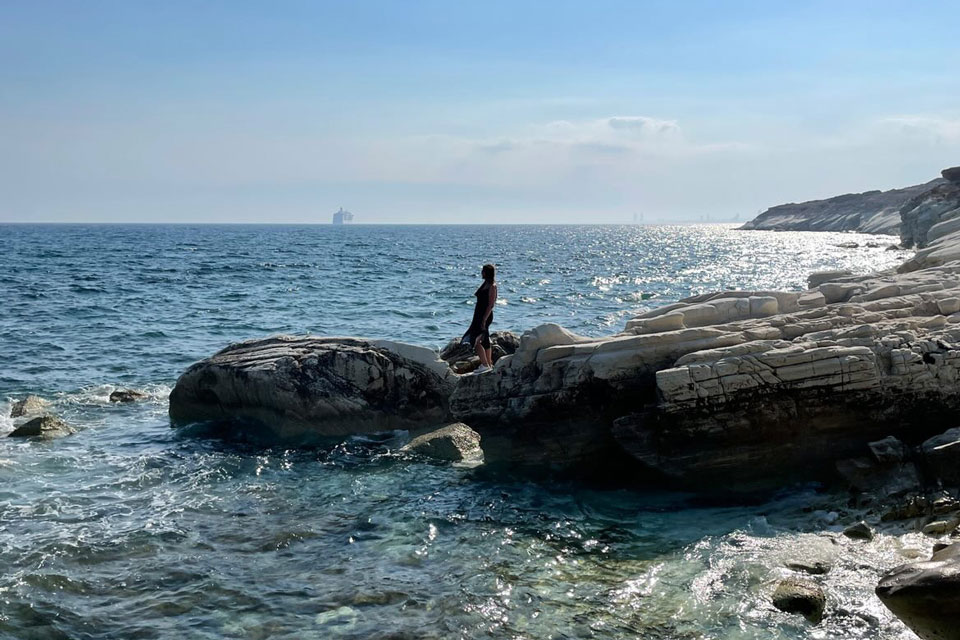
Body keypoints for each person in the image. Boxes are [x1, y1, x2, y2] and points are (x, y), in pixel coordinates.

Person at [461, 264, 498, 374]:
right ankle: (489, 364)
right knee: (485, 340)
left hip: (484, 316)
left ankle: (485, 364)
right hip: (478, 316)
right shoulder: (485, 284)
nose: (481, 273)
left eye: (483, 271)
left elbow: (491, 304)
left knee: (476, 340)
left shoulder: (492, 286)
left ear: (487, 272)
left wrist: (484, 319)